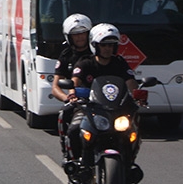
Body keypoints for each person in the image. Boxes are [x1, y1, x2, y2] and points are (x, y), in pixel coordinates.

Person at [65, 24, 144, 172]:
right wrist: (73, 93)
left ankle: (129, 162)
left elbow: (131, 82)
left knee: (133, 129)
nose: (108, 48)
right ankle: (77, 163)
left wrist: (137, 95)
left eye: (112, 45)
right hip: (90, 108)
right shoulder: (86, 62)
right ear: (95, 45)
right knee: (74, 129)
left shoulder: (119, 63)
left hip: (116, 110)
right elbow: (75, 81)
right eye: (104, 45)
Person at [51, 14, 93, 165]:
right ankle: (71, 157)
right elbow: (55, 86)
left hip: (102, 101)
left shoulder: (99, 51)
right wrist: (68, 98)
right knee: (67, 118)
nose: (80, 38)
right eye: (76, 35)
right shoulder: (66, 55)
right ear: (69, 37)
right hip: (79, 103)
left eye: (83, 33)